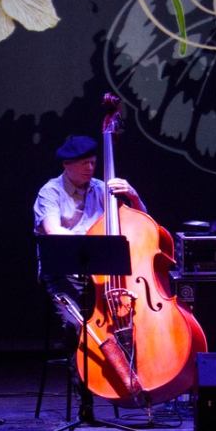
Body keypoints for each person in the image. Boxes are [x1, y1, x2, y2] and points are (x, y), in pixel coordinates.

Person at [33, 135, 149, 412]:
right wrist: (91, 240)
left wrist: (133, 196)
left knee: (131, 321)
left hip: (100, 279)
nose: (90, 167)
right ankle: (85, 399)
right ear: (67, 164)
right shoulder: (50, 192)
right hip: (64, 277)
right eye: (84, 163)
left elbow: (144, 224)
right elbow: (53, 230)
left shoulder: (102, 189)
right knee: (76, 327)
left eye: (93, 162)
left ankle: (132, 389)